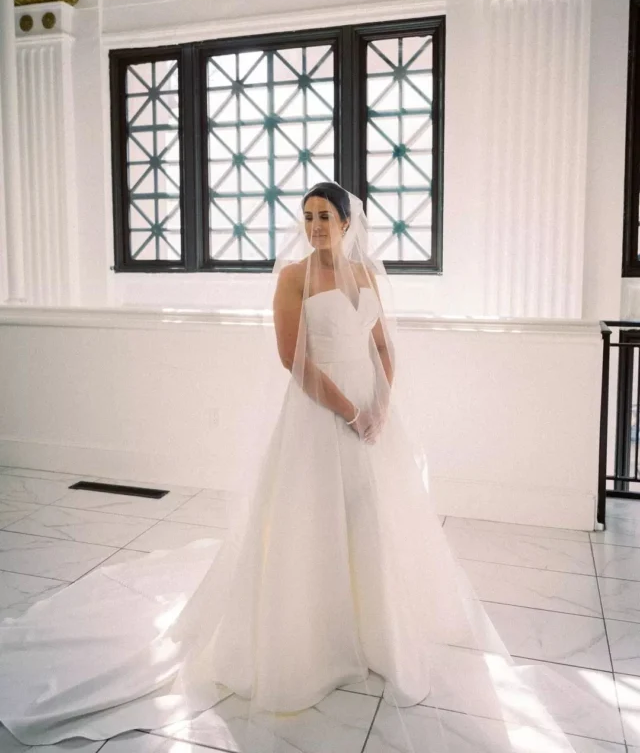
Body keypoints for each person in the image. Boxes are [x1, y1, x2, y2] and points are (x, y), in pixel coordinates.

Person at [0, 182, 597, 752]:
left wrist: (380, 408)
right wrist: (347, 411)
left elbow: (385, 347)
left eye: (324, 217)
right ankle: (315, 634)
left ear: (346, 222)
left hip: (372, 411)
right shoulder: (290, 278)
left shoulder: (366, 274)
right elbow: (292, 358)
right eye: (307, 217)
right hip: (318, 413)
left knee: (374, 519)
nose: (314, 227)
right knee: (311, 519)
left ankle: (373, 630)